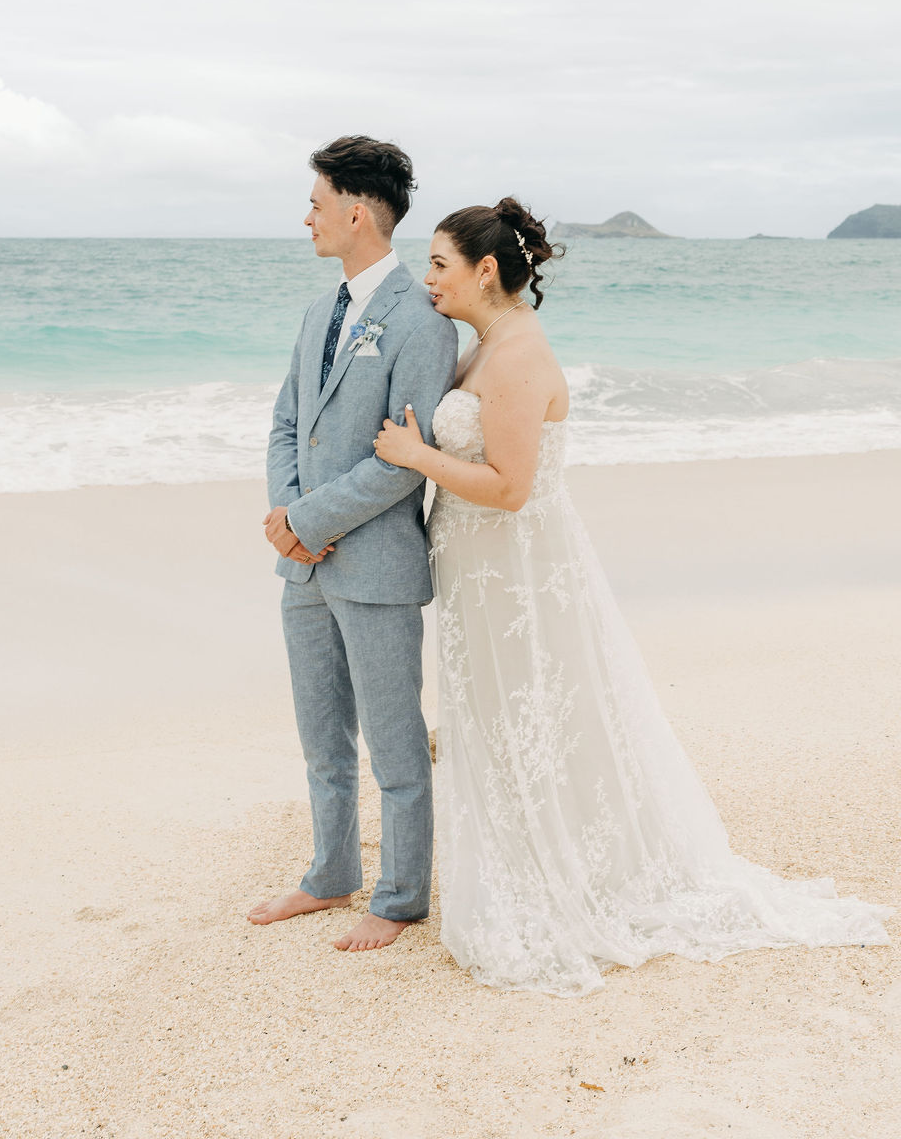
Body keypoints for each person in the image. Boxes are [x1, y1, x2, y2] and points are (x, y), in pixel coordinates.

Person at [373, 196, 892, 995]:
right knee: (507, 719)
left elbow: (509, 487)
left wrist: (416, 456)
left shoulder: (515, 357)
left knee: (530, 719)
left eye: (439, 263)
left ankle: (560, 881)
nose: (428, 278)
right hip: (483, 574)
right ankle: (532, 863)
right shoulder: (487, 346)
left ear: (484, 270)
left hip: (514, 570)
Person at [251, 136, 458, 952]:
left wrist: (310, 523)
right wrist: (287, 518)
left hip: (373, 566)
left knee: (394, 741)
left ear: (357, 211)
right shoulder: (316, 312)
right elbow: (285, 424)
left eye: (315, 201)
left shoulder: (421, 320)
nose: (306, 215)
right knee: (320, 736)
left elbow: (402, 465)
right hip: (302, 566)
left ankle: (401, 896)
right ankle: (330, 874)